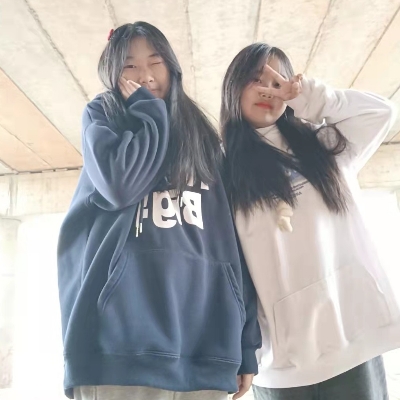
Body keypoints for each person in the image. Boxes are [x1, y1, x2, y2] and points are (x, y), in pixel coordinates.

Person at [57, 22, 261, 400]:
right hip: (119, 353)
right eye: (130, 65)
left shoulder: (202, 137)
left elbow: (230, 244)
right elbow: (120, 186)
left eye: (155, 62)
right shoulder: (103, 115)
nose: (146, 75)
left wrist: (245, 346)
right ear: (113, 73)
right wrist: (150, 113)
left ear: (172, 67)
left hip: (205, 352)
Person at [220, 42, 399, 399]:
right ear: (233, 87)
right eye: (255, 79)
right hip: (280, 362)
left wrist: (312, 99)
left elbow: (381, 113)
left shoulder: (325, 145)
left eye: (277, 82)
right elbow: (227, 272)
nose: (267, 90)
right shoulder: (220, 171)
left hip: (352, 341)